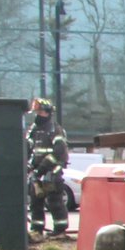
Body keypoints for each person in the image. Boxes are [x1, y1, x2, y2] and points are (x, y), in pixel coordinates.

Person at [24, 97, 71, 237]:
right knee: (35, 203)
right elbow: (28, 149)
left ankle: (60, 230)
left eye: (41, 112)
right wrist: (29, 166)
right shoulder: (34, 130)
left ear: (48, 113)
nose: (38, 115)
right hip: (37, 173)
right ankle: (36, 229)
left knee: (54, 202)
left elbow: (59, 152)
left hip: (51, 172)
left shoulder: (56, 130)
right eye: (36, 112)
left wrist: (42, 168)